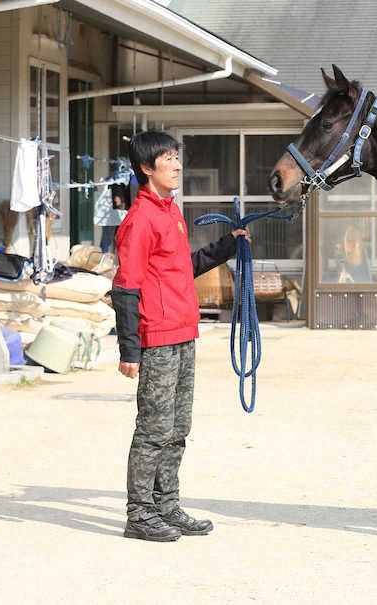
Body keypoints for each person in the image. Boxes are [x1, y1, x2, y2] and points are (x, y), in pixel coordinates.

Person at [111, 131, 249, 542]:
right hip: (156, 340)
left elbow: (179, 268)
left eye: (176, 157)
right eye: (168, 159)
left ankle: (166, 507)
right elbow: (125, 288)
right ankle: (139, 513)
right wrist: (130, 350)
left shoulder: (170, 211)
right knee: (153, 429)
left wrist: (226, 247)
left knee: (177, 428)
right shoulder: (139, 221)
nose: (177, 165)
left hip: (183, 334)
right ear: (146, 168)